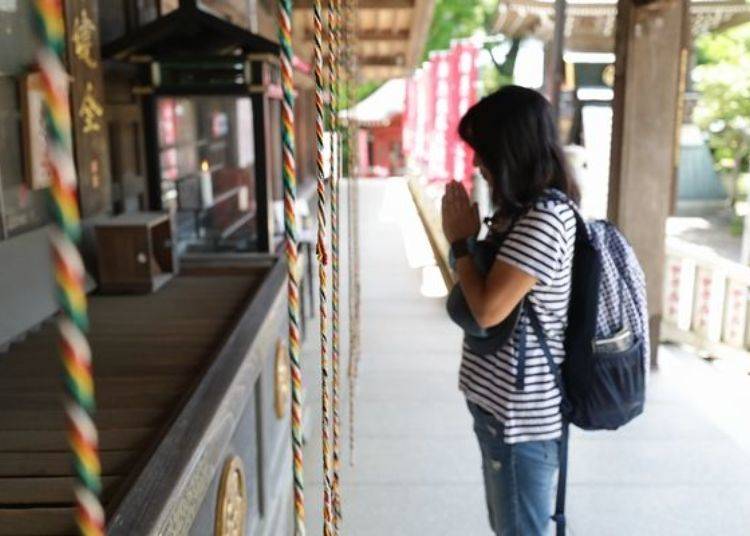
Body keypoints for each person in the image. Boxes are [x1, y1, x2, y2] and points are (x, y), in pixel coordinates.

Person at [441, 85, 581, 536]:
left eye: (482, 152)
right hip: (500, 406)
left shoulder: (544, 220)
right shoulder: (518, 213)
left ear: (508, 151)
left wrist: (462, 242)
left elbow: (486, 311)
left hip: (521, 418)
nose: (477, 163)